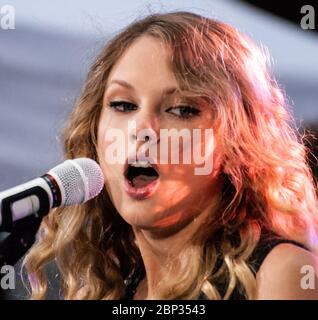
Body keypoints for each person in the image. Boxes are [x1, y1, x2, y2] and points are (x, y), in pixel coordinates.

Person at [23, 11, 318, 300]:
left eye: (181, 110)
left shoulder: (281, 273)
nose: (142, 129)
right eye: (124, 105)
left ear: (237, 141)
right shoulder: (105, 286)